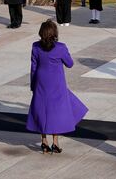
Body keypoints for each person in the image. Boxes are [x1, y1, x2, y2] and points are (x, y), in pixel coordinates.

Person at [26, 19, 88, 154]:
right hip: (56, 83)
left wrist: (33, 85)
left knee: (42, 110)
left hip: (41, 81)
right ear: (54, 33)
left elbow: (33, 67)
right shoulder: (60, 47)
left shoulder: (35, 46)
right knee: (56, 111)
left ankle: (44, 141)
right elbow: (70, 64)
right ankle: (55, 142)